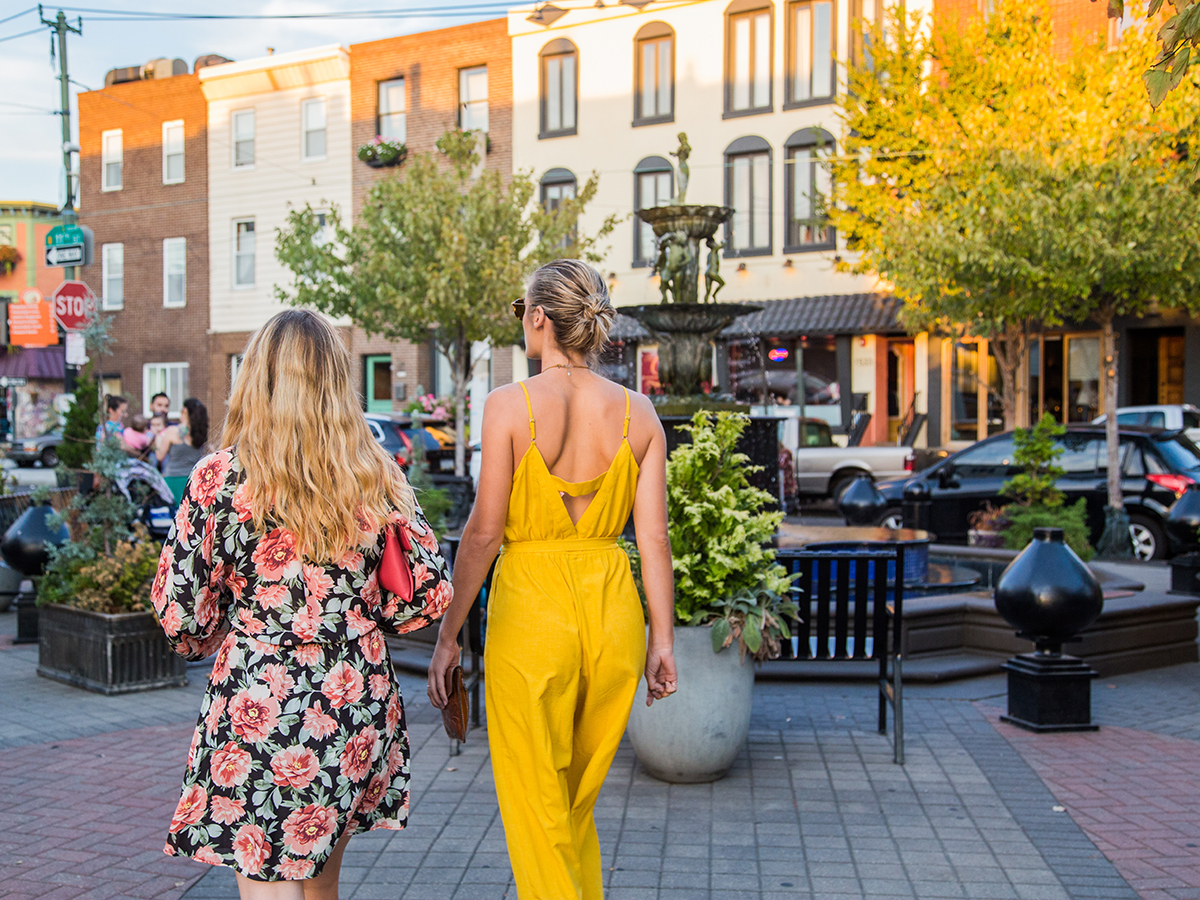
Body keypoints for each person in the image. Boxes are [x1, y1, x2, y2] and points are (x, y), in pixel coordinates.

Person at [154, 309, 452, 897]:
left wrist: (233, 628)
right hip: (352, 698)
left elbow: (181, 616)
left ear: (256, 378)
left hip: (259, 701)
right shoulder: (375, 475)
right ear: (336, 382)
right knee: (319, 887)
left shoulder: (221, 478)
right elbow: (421, 598)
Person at [428, 259, 678, 899]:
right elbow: (653, 538)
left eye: (523, 313)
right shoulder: (639, 413)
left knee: (537, 811)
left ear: (539, 318)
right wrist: (663, 642)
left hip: (533, 615)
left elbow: (483, 533)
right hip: (613, 613)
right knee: (571, 808)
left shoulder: (509, 406)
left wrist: (449, 634)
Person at [156, 398, 208, 481]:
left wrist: (158, 439)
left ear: (185, 411)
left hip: (173, 478)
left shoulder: (173, 431)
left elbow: (160, 456)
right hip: (193, 479)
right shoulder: (201, 433)